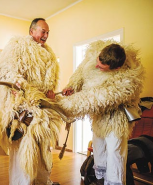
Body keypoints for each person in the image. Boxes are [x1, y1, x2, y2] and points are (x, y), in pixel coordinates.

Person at [58, 40, 144, 184]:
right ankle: (99, 180)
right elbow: (81, 72)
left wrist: (64, 106)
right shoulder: (95, 54)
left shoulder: (128, 80)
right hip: (99, 119)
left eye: (101, 66)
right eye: (97, 61)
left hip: (116, 120)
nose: (96, 66)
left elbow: (95, 98)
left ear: (116, 68)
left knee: (115, 155)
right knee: (99, 150)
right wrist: (72, 86)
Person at [0, 18, 62, 185]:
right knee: (23, 152)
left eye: (47, 32)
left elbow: (47, 84)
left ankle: (41, 181)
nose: (45, 35)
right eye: (42, 31)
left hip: (42, 110)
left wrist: (49, 92)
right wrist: (19, 84)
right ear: (32, 31)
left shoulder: (50, 55)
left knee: (42, 151)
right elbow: (6, 71)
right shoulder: (18, 47)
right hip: (23, 110)